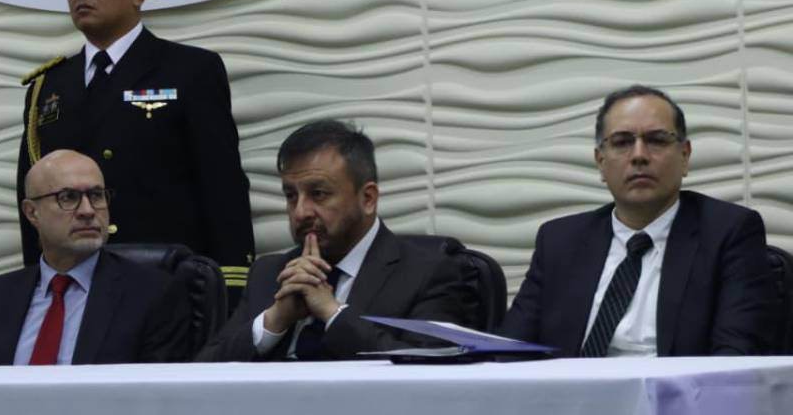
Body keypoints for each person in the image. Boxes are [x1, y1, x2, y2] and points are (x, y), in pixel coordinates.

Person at [17, 0, 254, 303]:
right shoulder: (48, 86)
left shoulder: (189, 70)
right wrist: (36, 288)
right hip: (73, 290)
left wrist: (229, 286)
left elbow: (222, 187)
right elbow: (33, 201)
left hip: (164, 289)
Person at [499, 85, 778, 356]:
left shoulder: (728, 232)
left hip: (674, 389)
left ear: (684, 156)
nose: (639, 156)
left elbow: (736, 355)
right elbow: (508, 351)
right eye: (622, 142)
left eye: (657, 140)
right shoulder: (560, 241)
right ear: (600, 162)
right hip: (572, 388)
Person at [196, 120, 471, 361]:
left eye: (318, 194)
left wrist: (333, 313)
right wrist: (274, 321)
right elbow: (201, 375)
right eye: (291, 196)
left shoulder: (428, 272)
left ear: (368, 199)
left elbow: (431, 371)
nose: (300, 212)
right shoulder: (269, 274)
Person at [0, 149, 189, 365]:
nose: (88, 211)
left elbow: (157, 390)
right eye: (68, 197)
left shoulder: (153, 295)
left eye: (96, 196)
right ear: (32, 212)